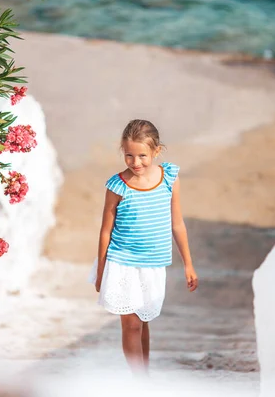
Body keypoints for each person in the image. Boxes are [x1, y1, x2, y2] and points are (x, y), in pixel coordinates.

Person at [89, 119, 198, 374]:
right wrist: (101, 269)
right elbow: (105, 231)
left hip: (153, 264)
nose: (135, 163)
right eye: (129, 155)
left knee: (144, 321)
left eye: (142, 156)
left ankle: (144, 378)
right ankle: (139, 382)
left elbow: (178, 224)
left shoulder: (169, 178)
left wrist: (188, 264)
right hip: (121, 263)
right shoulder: (117, 186)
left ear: (156, 151)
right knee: (132, 325)